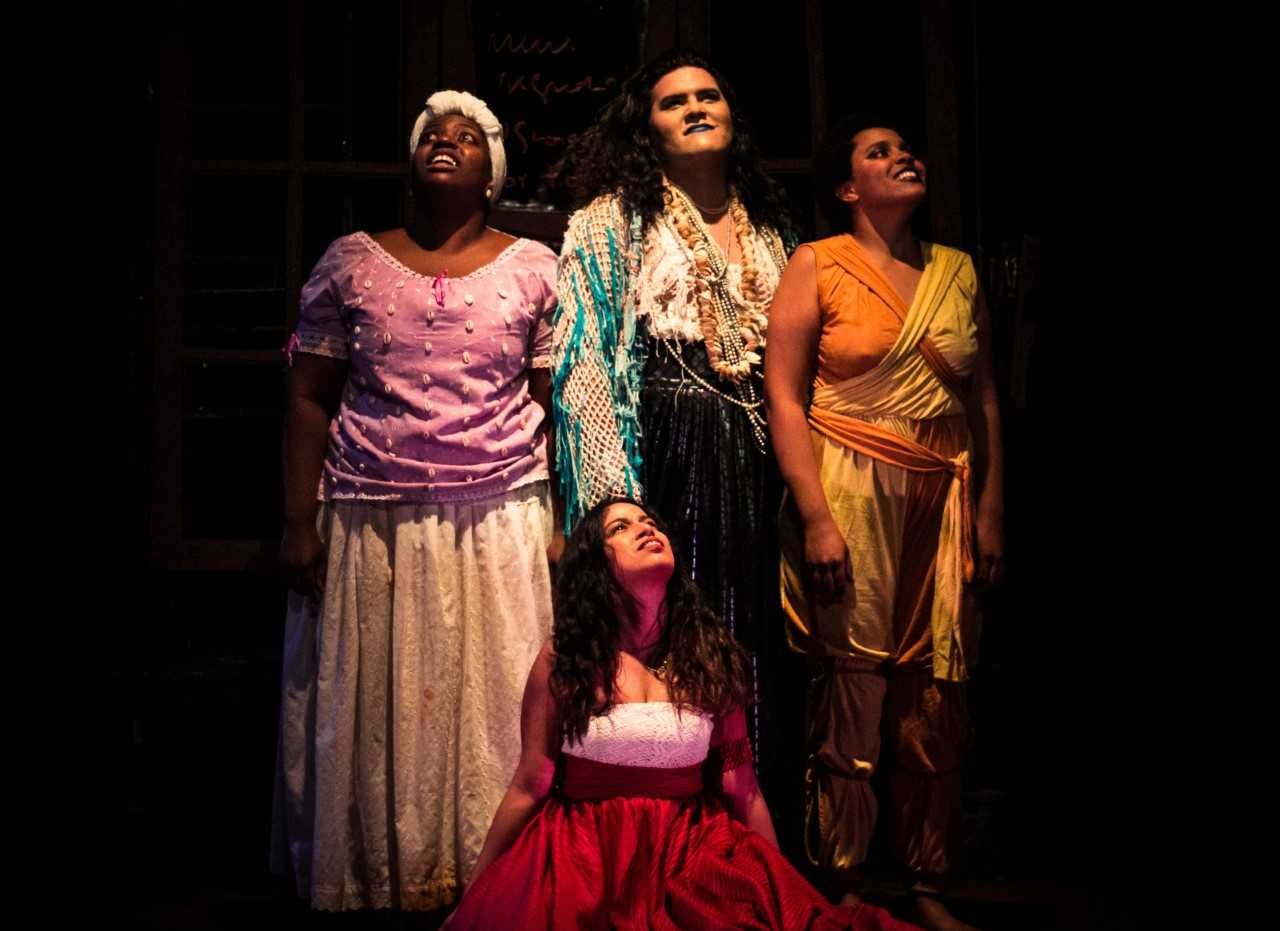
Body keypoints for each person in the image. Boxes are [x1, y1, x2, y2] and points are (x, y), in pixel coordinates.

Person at [270, 90, 559, 911]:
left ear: (493, 174)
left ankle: (488, 881)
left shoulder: (535, 267)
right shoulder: (353, 262)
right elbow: (308, 397)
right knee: (380, 708)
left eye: (468, 137)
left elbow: (555, 405)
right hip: (373, 514)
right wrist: (297, 521)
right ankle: (381, 879)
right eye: (433, 133)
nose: (447, 141)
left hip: (497, 513)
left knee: (491, 705)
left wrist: (565, 520)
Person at [447, 497, 920, 929]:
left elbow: (742, 786)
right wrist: (472, 897)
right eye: (620, 527)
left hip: (689, 858)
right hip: (586, 861)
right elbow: (530, 783)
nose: (646, 529)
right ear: (595, 567)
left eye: (650, 521)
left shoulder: (707, 657)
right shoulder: (566, 660)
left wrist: (783, 894)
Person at [764, 114, 1004, 930]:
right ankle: (845, 879)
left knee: (935, 684)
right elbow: (785, 397)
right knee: (852, 678)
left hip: (941, 496)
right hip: (850, 488)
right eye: (880, 152)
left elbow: (982, 400)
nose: (905, 157)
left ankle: (926, 879)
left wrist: (990, 507)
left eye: (906, 148)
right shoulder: (817, 262)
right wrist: (814, 515)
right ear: (846, 186)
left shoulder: (956, 270)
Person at [551, 48, 795, 775]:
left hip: (760, 454)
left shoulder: (773, 232)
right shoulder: (610, 223)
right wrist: (613, 505)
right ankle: (678, 804)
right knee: (678, 628)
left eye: (707, 96)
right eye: (673, 101)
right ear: (646, 128)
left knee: (760, 626)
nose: (695, 108)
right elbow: (586, 363)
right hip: (667, 449)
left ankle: (755, 805)